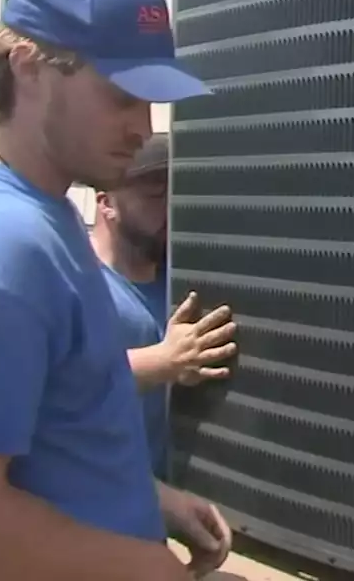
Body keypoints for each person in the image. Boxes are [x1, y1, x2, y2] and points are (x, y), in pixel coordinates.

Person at [0, 0, 230, 580]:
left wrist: (157, 502)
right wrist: (149, 570)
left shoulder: (49, 217)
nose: (143, 128)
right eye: (121, 95)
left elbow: (59, 435)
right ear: (28, 66)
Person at [90, 133, 238, 480]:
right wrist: (164, 361)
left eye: (178, 194)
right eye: (156, 193)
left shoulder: (180, 283)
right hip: (91, 504)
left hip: (164, 500)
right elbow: (64, 385)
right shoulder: (78, 283)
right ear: (106, 201)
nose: (170, 208)